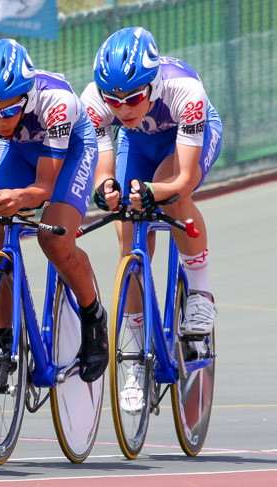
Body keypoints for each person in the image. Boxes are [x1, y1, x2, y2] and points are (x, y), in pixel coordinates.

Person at [82, 26, 221, 412]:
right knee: (128, 221)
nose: (123, 108)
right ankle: (135, 352)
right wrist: (106, 187)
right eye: (114, 100)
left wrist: (154, 192)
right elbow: (104, 167)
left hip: (187, 140)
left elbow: (184, 178)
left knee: (172, 196)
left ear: (153, 85)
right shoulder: (94, 100)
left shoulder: (185, 92)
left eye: (132, 99)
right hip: (138, 145)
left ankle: (200, 290)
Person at [0, 38, 108, 385]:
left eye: (9, 110)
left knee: (54, 239)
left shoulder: (56, 102)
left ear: (27, 97)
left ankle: (94, 318)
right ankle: (2, 343)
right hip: (21, 150)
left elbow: (44, 188)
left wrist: (19, 197)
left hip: (70, 151)